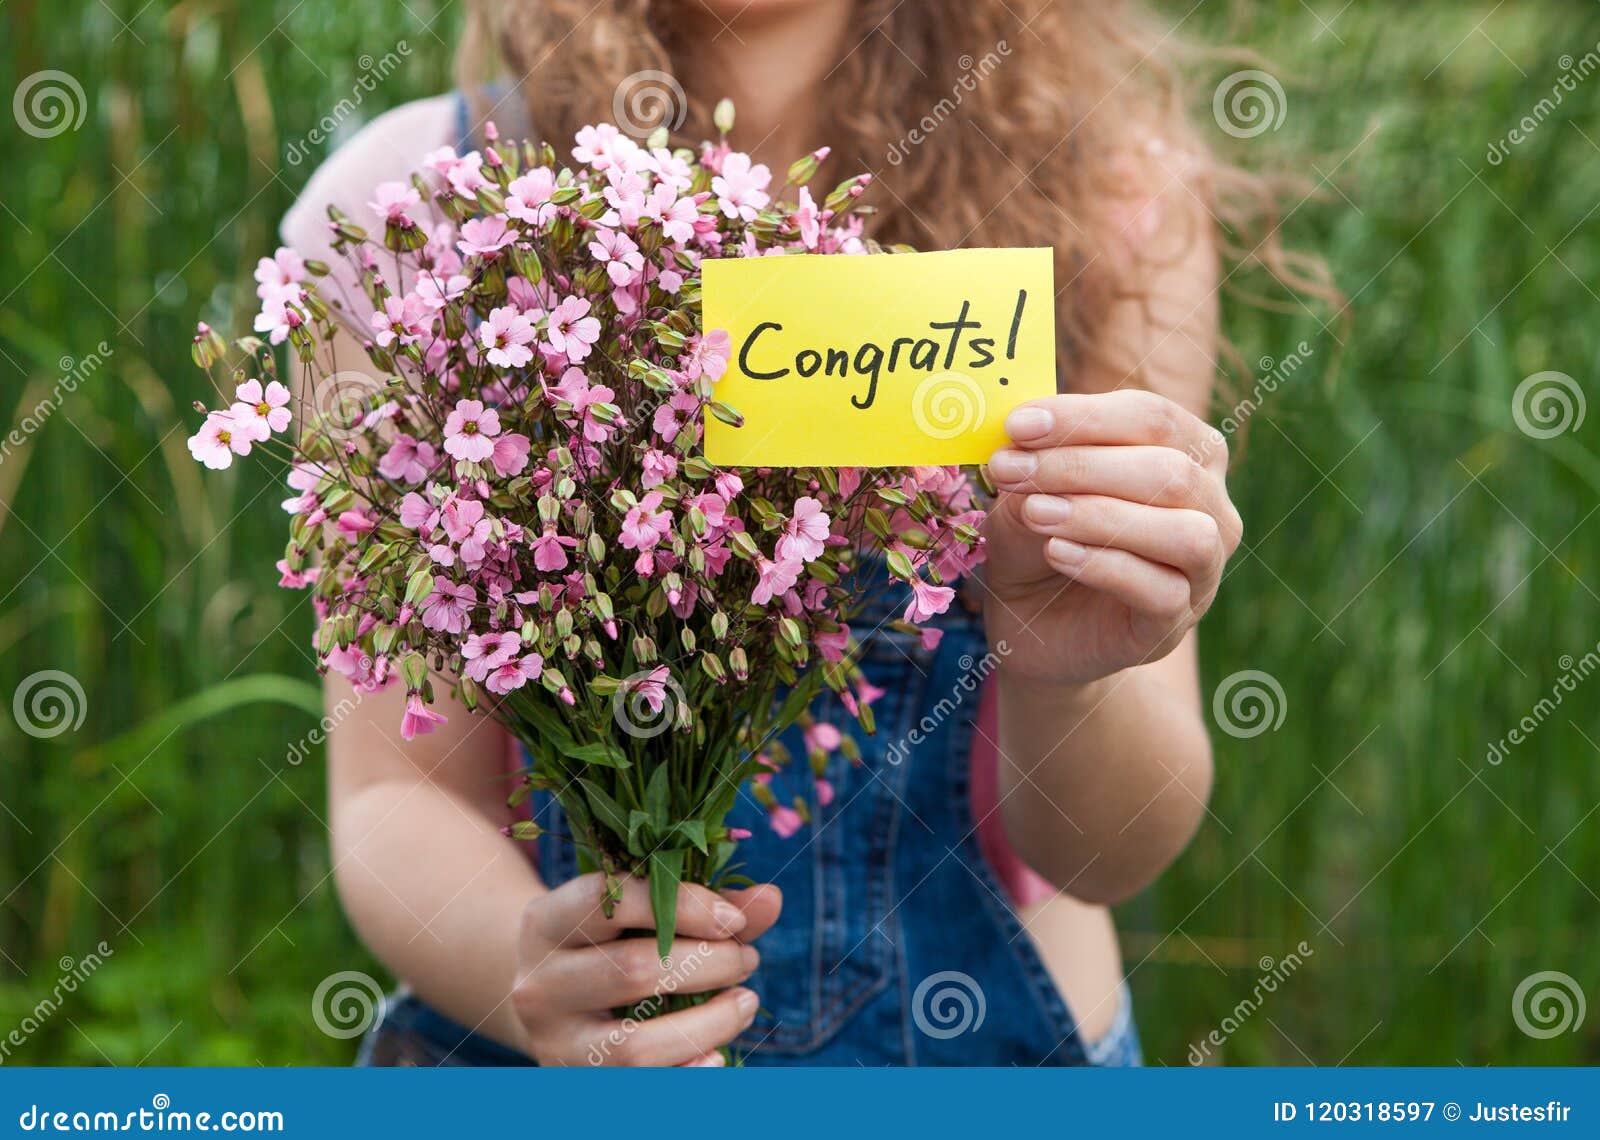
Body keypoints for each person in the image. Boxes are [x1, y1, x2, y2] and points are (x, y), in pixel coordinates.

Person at [282, 0, 1324, 1066]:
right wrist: (535, 975)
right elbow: (394, 790)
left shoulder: (1109, 202)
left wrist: (1063, 669)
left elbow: (1109, 851)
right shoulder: (413, 204)